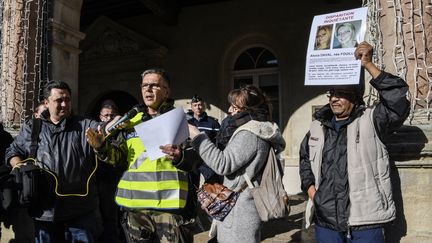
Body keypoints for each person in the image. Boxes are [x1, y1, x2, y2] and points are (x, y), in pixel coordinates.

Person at [299, 42, 410, 242]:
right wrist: (313, 193)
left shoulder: (372, 119)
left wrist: (369, 65)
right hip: (326, 220)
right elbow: (305, 160)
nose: (334, 99)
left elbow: (397, 100)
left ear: (356, 98)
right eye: (332, 93)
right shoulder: (317, 126)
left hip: (366, 220)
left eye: (342, 94)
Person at [86, 68, 198, 243]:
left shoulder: (179, 119)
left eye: (154, 85)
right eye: (145, 85)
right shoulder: (130, 122)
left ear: (166, 91)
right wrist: (101, 148)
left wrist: (180, 157)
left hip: (169, 209)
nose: (148, 89)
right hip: (135, 209)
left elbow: (195, 160)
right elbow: (118, 159)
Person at [5, 80, 102, 242]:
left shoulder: (84, 125)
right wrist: (18, 166)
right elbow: (13, 151)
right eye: (59, 100)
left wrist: (110, 127)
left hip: (80, 212)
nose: (64, 104)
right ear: (46, 102)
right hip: (45, 213)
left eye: (68, 100)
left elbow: (103, 128)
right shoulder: (32, 127)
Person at [188, 85, 286, 243]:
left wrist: (197, 137)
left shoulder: (249, 133)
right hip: (240, 208)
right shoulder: (256, 130)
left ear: (248, 110)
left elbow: (223, 164)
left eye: (234, 107)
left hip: (239, 212)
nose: (229, 110)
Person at [95, 100, 123, 243]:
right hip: (102, 180)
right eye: (106, 115)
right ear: (100, 116)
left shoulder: (122, 131)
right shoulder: (97, 130)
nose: (109, 118)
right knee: (105, 218)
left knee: (118, 218)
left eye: (112, 116)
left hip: (119, 179)